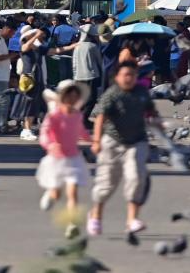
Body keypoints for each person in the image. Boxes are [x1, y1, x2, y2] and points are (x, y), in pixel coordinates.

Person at [87, 61, 158, 238]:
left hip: (137, 141)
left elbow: (150, 111)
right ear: (117, 77)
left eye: (132, 75)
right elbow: (100, 118)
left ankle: (132, 220)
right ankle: (95, 216)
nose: (129, 78)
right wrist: (96, 141)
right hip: (113, 141)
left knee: (136, 177)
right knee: (106, 184)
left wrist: (159, 126)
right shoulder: (112, 94)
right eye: (125, 75)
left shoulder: (142, 92)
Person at [36, 79, 91, 239]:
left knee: (73, 192)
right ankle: (51, 193)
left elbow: (81, 132)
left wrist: (94, 140)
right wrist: (51, 145)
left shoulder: (77, 115)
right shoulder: (54, 115)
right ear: (63, 97)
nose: (72, 99)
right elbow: (44, 134)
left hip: (73, 159)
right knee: (56, 194)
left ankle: (72, 224)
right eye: (69, 96)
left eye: (75, 97)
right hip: (56, 160)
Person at [71, 30, 104, 129]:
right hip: (91, 76)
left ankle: (78, 119)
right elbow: (99, 61)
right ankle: (84, 119)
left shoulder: (76, 46)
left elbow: (74, 63)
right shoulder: (93, 46)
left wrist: (75, 75)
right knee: (92, 99)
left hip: (78, 77)